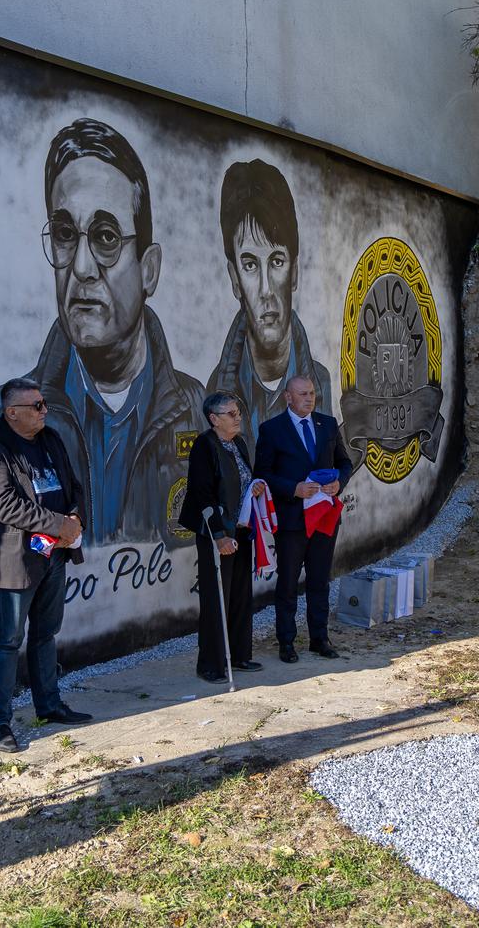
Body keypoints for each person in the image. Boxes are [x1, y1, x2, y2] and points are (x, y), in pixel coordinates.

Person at [27, 118, 205, 547]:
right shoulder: (14, 416)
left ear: (149, 269)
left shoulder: (197, 412)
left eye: (106, 237)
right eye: (66, 235)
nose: (82, 268)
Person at [0, 378, 92, 753]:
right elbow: (3, 505)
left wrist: (74, 516)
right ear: (12, 413)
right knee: (8, 640)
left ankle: (49, 704)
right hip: (17, 559)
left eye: (43, 404)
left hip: (54, 554)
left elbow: (73, 484)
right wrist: (60, 524)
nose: (44, 411)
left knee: (46, 632)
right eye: (36, 406)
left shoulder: (50, 438)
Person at [207, 159, 332, 438]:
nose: (265, 289)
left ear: (295, 273)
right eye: (250, 265)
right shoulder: (215, 390)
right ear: (234, 279)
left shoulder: (321, 383)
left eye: (277, 261)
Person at [253, 376, 353, 662]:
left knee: (320, 581)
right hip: (292, 520)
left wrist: (340, 483)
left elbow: (344, 462)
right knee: (287, 583)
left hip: (324, 516)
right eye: (302, 394)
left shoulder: (328, 424)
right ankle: (286, 642)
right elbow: (262, 474)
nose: (309, 398)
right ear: (288, 397)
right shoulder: (272, 430)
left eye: (312, 393)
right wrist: (292, 489)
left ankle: (319, 639)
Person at [178, 393, 267, 683]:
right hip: (216, 532)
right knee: (217, 596)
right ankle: (211, 665)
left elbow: (242, 480)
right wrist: (218, 536)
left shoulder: (238, 443)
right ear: (214, 419)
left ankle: (240, 655)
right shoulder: (205, 446)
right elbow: (202, 493)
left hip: (240, 527)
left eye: (238, 411)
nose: (237, 416)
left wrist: (253, 488)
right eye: (230, 413)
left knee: (241, 593)